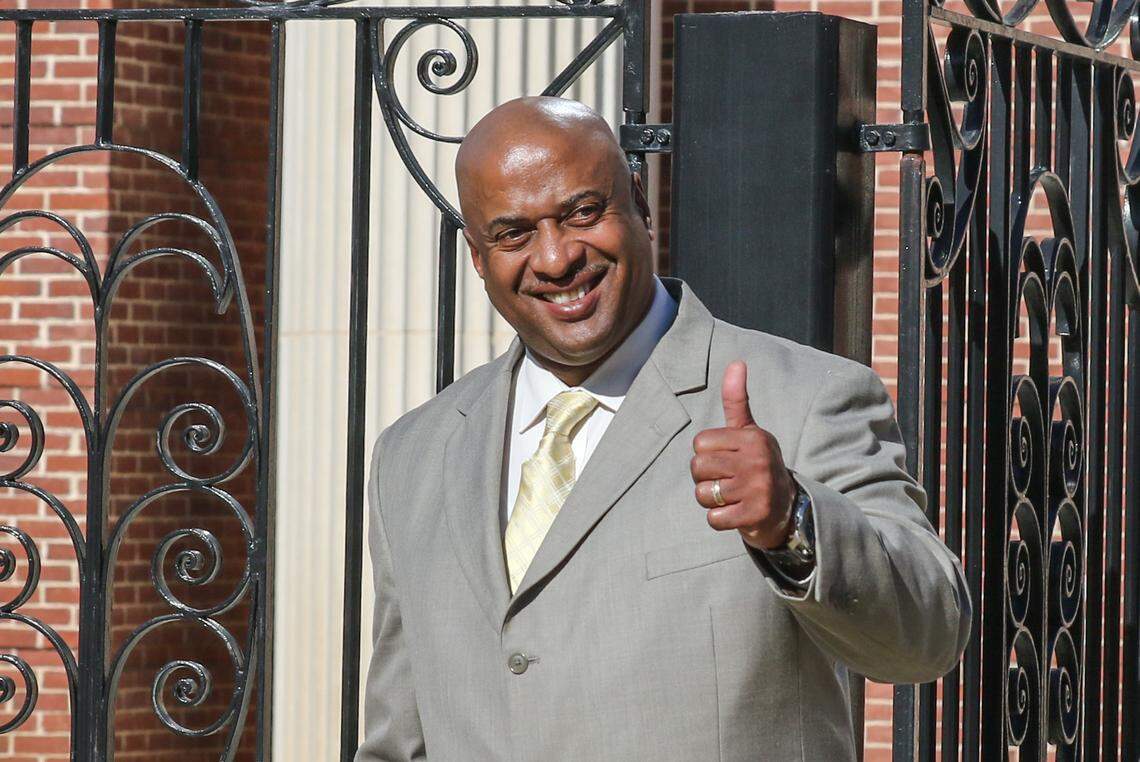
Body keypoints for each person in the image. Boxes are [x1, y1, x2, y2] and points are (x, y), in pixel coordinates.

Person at [355, 96, 970, 761]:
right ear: (478, 257)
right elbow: (398, 740)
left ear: (640, 205)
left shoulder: (803, 399)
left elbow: (928, 635)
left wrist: (792, 522)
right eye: (514, 233)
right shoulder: (411, 458)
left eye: (583, 212)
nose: (557, 257)